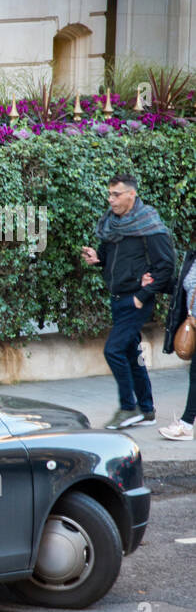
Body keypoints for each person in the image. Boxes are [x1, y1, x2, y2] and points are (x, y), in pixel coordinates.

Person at [81, 174, 174, 429]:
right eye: (110, 194)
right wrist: (97, 258)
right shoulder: (113, 223)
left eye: (117, 194)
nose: (111, 200)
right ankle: (146, 410)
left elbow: (166, 266)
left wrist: (142, 296)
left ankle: (127, 407)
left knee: (113, 350)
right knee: (132, 354)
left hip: (136, 301)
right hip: (117, 299)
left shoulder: (148, 225)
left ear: (132, 194)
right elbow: (110, 254)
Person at [156, 248, 196, 440]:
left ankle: (186, 424)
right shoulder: (193, 257)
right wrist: (156, 283)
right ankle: (186, 423)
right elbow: (181, 287)